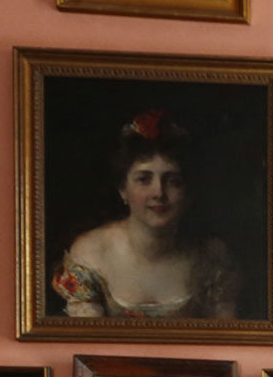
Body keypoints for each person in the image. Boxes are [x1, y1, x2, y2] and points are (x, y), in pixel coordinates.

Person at [52, 109, 240, 319]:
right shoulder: (91, 254)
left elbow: (224, 343)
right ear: (123, 189)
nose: (159, 193)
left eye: (173, 181)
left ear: (187, 193)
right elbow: (85, 345)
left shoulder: (213, 258)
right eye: (144, 179)